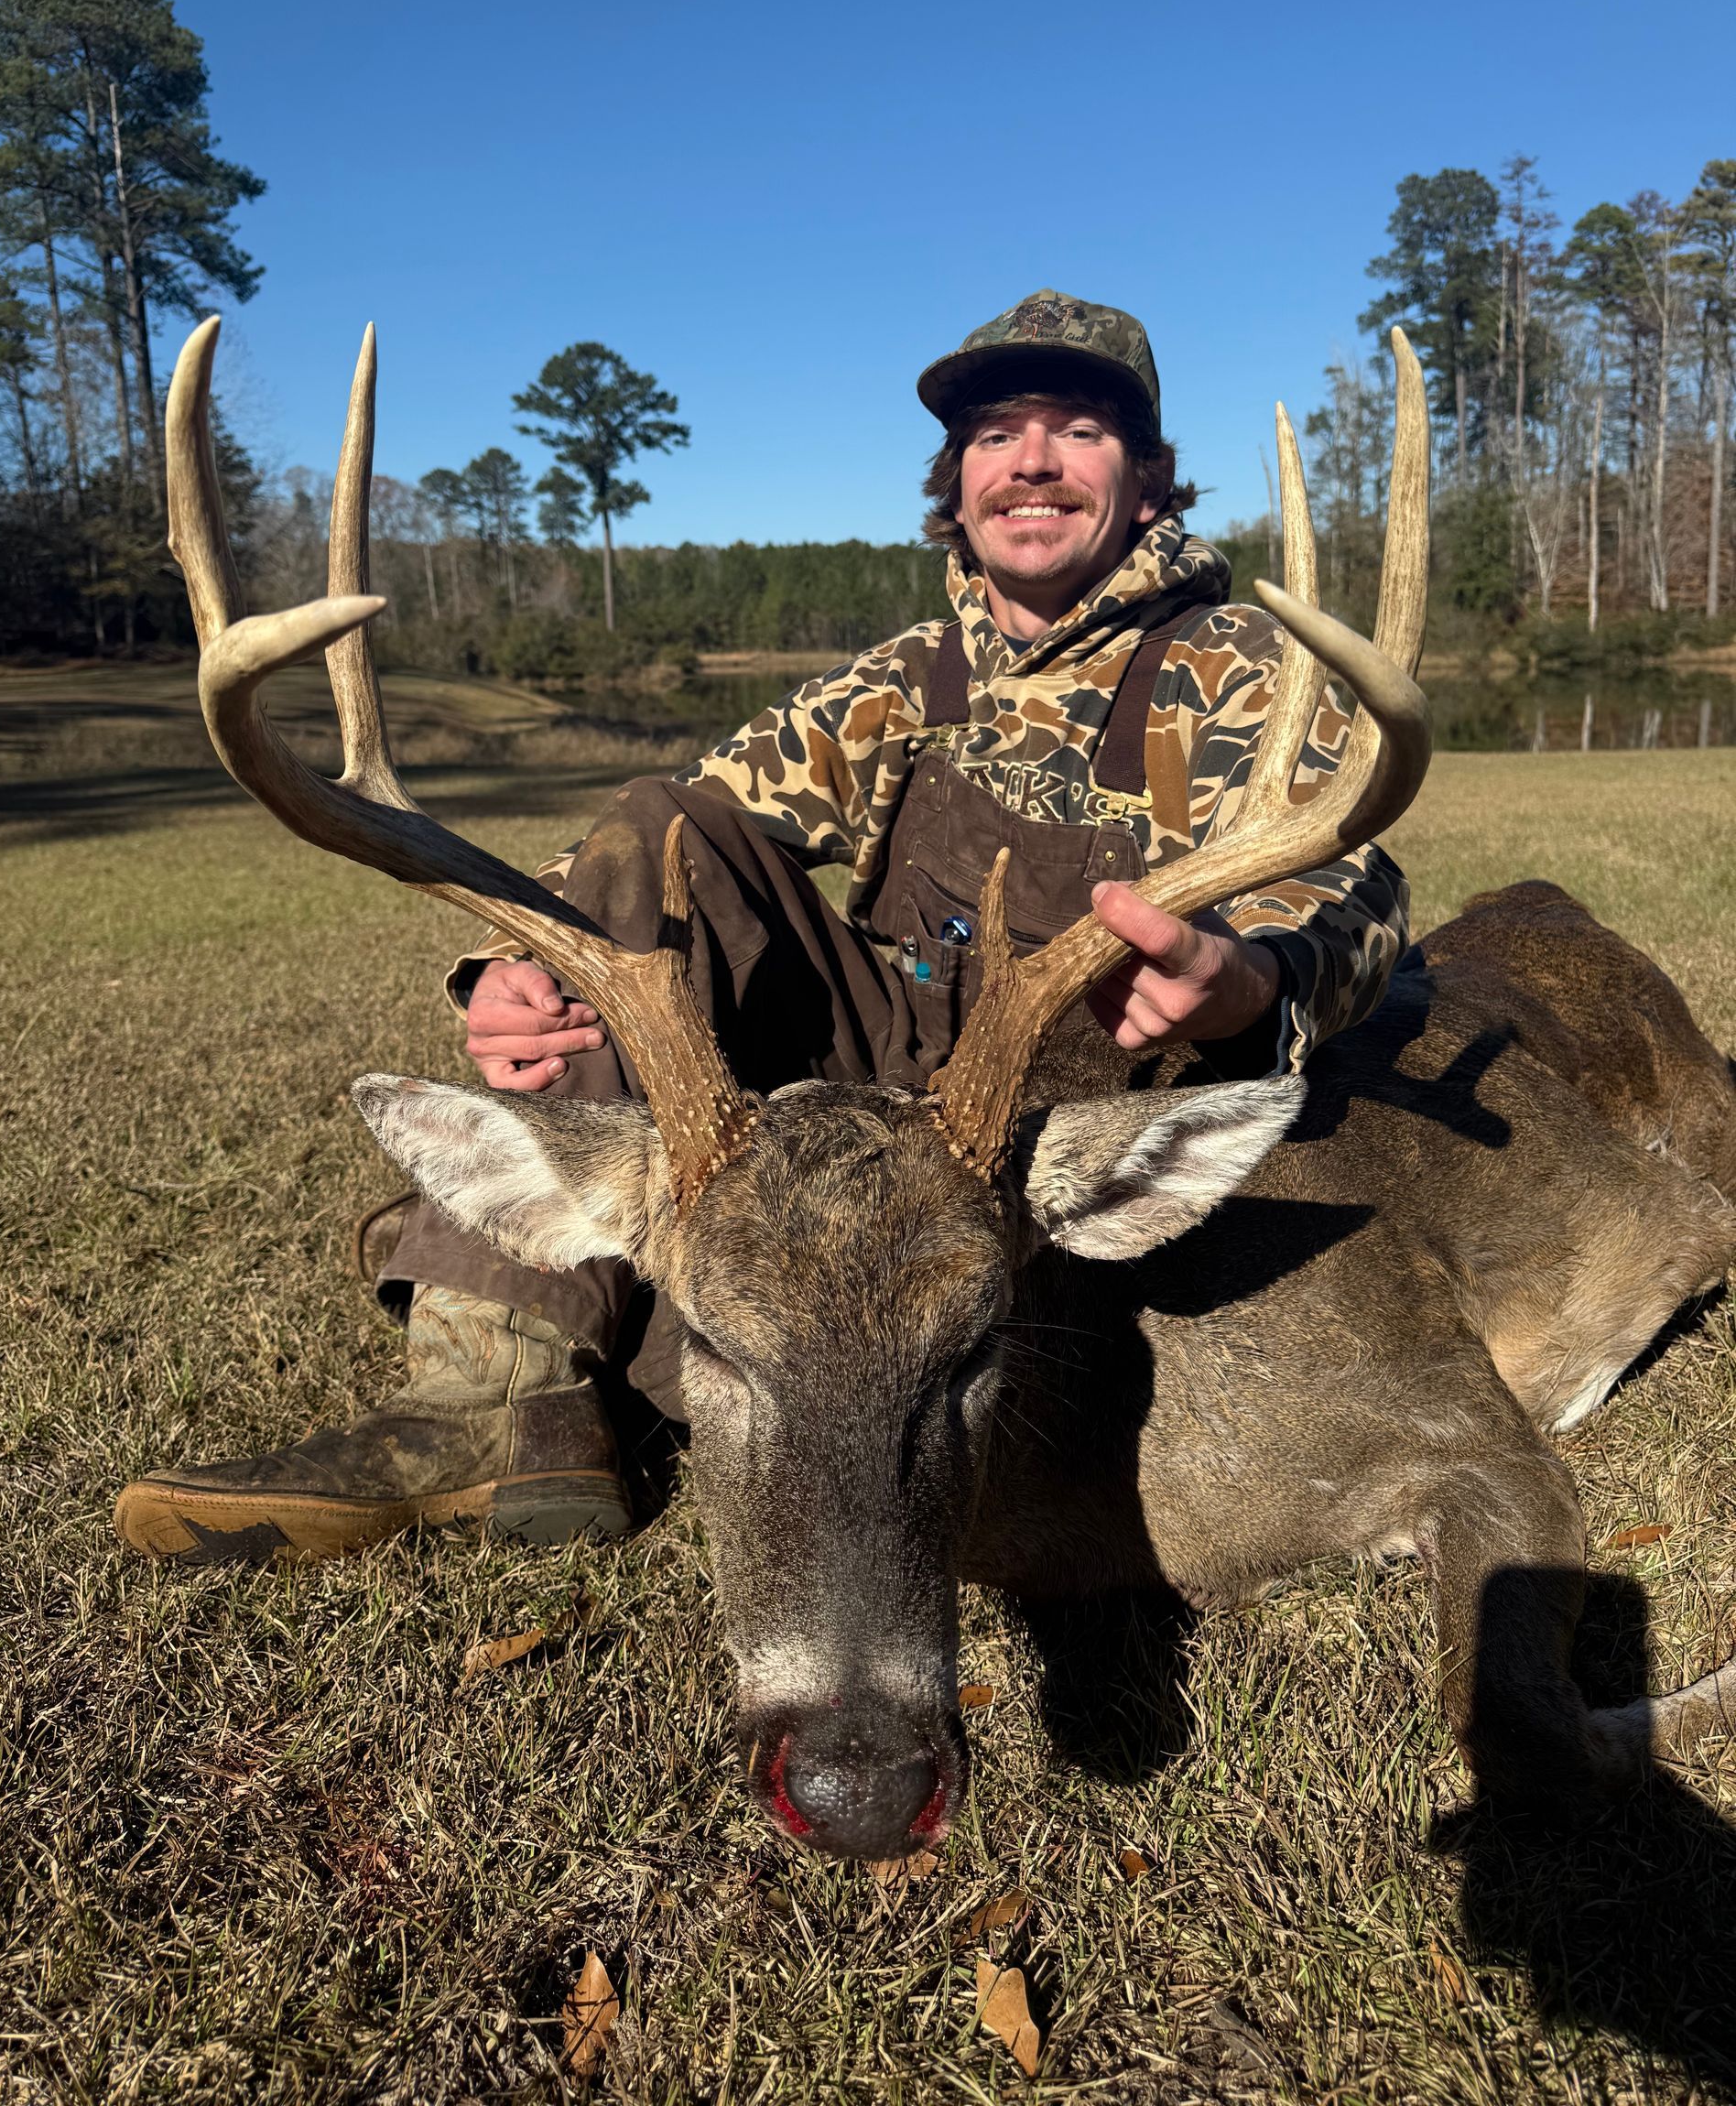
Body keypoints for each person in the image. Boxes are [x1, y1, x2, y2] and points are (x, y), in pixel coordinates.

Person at [114, 290, 1408, 1564]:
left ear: (1146, 476)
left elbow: (1357, 884)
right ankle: (488, 1393)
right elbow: (701, 826)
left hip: (1057, 1105)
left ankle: (667, 1374)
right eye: (996, 434)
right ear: (956, 481)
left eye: (1078, 428)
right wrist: (516, 966)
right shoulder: (908, 677)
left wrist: (1249, 977)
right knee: (666, 826)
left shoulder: (1237, 667)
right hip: (880, 1075)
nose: (1031, 462)